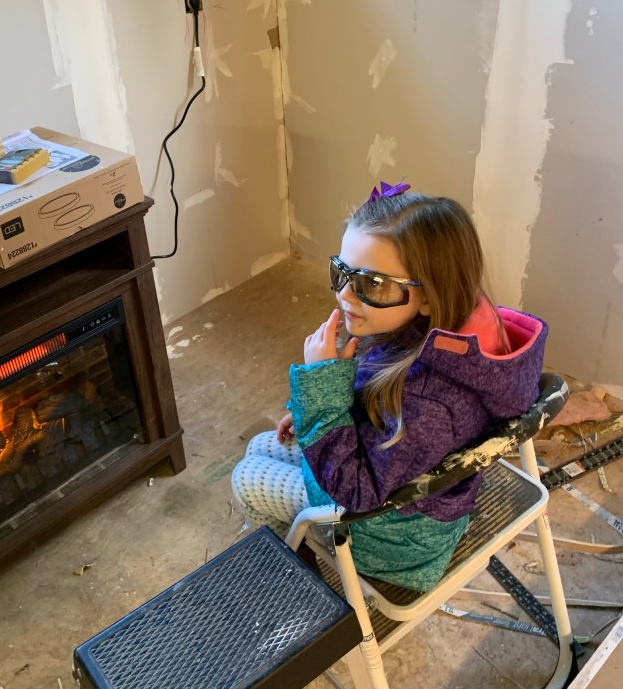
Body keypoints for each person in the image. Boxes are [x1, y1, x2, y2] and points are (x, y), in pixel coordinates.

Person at [231, 183, 547, 591]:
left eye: (373, 283)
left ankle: (303, 569)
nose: (345, 296)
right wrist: (312, 407)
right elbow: (372, 402)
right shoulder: (435, 331)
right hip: (397, 496)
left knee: (247, 477)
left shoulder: (428, 406)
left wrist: (320, 388)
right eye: (341, 272)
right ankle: (300, 541)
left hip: (394, 540)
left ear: (430, 295)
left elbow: (358, 492)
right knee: (261, 445)